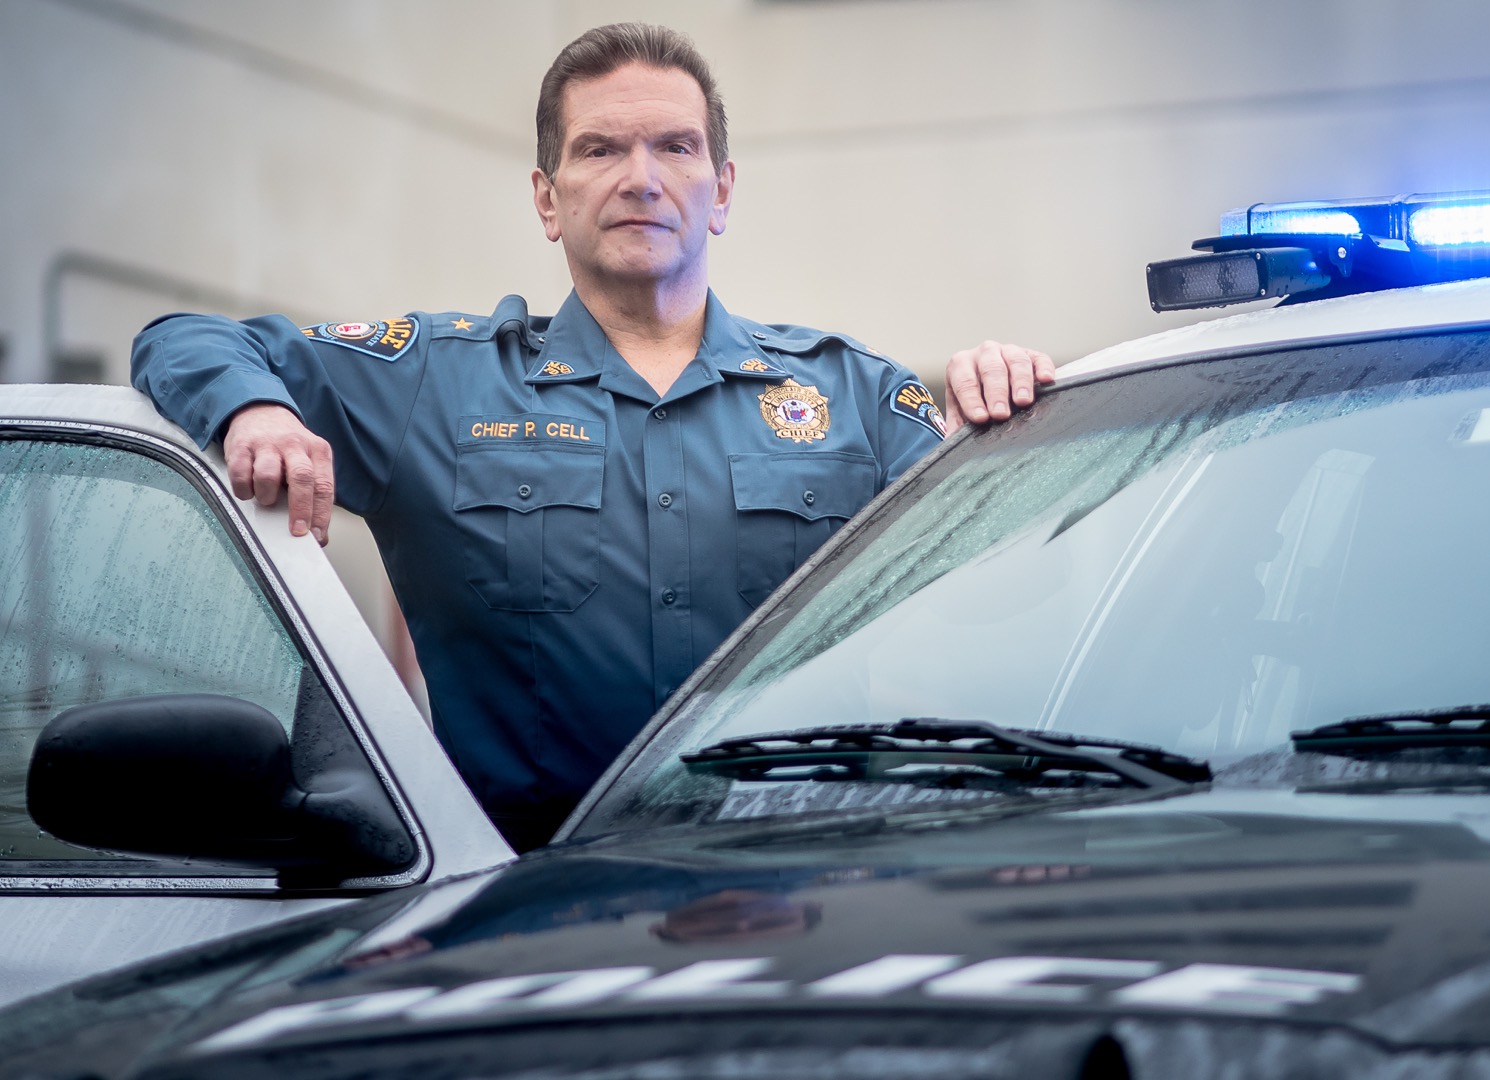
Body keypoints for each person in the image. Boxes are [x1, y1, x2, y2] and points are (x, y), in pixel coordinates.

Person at [131, 23, 1054, 852]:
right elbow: (185, 338)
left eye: (675, 147)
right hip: (520, 907)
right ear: (547, 197)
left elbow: (991, 592)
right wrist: (258, 411)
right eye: (600, 148)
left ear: (721, 189)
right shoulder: (437, 383)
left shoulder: (850, 391)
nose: (640, 177)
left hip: (797, 893)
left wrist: (999, 425)